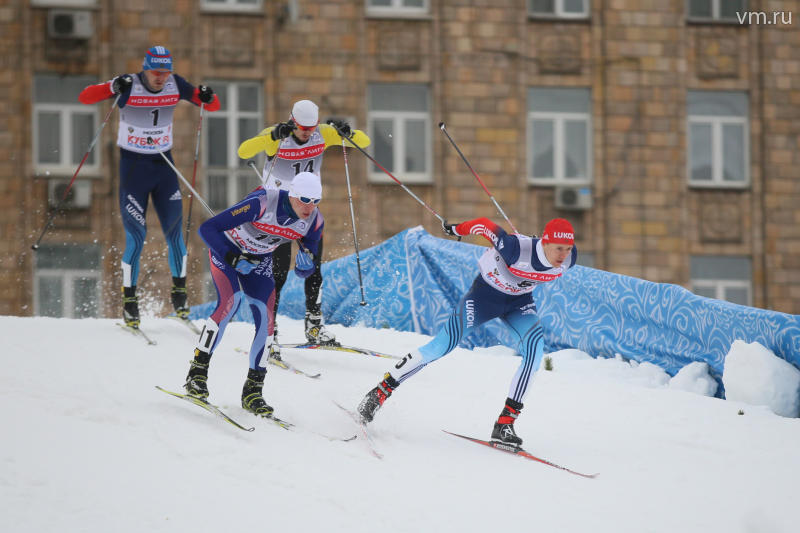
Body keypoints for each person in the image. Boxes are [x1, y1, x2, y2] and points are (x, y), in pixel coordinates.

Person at [356, 217, 578, 447]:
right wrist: (454, 229)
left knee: (535, 351)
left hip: (519, 303)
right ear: (544, 242)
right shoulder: (513, 249)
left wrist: (560, 252)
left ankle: (505, 424)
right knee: (441, 346)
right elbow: (484, 225)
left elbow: (556, 258)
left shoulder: (569, 259)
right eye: (558, 248)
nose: (563, 255)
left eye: (568, 249)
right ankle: (379, 392)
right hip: (484, 298)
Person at [78, 45, 221, 328]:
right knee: (136, 236)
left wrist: (206, 94)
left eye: (165, 72)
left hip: (163, 167)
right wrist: (111, 86)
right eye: (156, 72)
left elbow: (212, 105)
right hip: (133, 169)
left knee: (175, 233)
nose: (161, 78)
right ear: (145, 68)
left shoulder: (175, 84)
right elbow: (85, 97)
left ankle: (179, 294)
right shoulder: (129, 85)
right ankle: (130, 302)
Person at [183, 172, 324, 416]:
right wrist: (233, 256)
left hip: (259, 261)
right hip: (227, 253)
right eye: (304, 199)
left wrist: (305, 266)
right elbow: (208, 229)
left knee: (267, 320)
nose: (309, 207)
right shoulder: (262, 203)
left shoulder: (313, 222)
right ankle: (197, 374)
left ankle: (253, 391)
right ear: (292, 194)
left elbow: (307, 267)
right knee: (231, 302)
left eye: (315, 201)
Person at [237, 100, 371, 354]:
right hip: (277, 213)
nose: (307, 132)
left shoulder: (323, 132)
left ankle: (314, 325)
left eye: (311, 127)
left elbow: (364, 143)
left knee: (313, 268)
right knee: (278, 274)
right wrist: (271, 136)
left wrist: (348, 132)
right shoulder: (277, 136)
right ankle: (269, 331)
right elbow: (244, 151)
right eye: (302, 127)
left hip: (307, 212)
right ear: (292, 121)